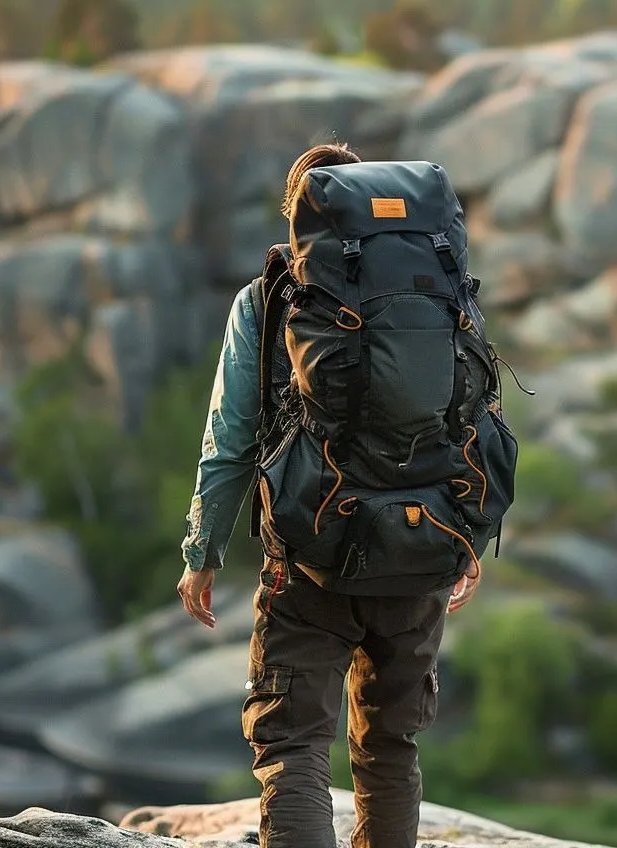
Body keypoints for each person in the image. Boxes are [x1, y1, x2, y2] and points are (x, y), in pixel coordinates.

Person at [175, 141, 484, 848]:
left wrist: (203, 549)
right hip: (423, 540)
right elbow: (472, 415)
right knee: (390, 749)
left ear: (299, 217)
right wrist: (468, 536)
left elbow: (231, 438)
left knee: (292, 745)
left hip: (311, 551)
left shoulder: (269, 300)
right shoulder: (441, 287)